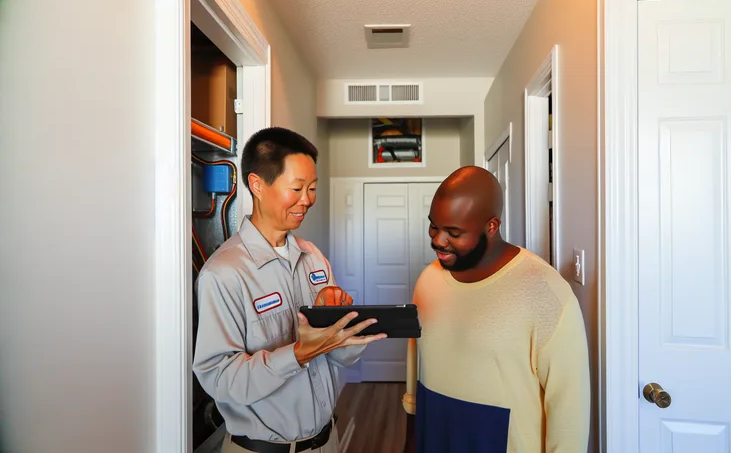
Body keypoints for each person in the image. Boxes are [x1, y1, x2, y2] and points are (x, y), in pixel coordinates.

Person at [193, 127, 386, 453]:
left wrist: (342, 327)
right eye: (296, 188)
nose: (307, 199)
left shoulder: (314, 258)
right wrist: (298, 354)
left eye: (312, 188)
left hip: (327, 442)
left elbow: (339, 357)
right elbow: (222, 381)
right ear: (257, 185)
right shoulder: (224, 273)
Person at [402, 166, 591, 453]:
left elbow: (569, 414)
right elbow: (416, 368)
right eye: (434, 226)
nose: (438, 240)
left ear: (491, 226)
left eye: (453, 232)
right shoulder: (428, 280)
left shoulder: (546, 292)